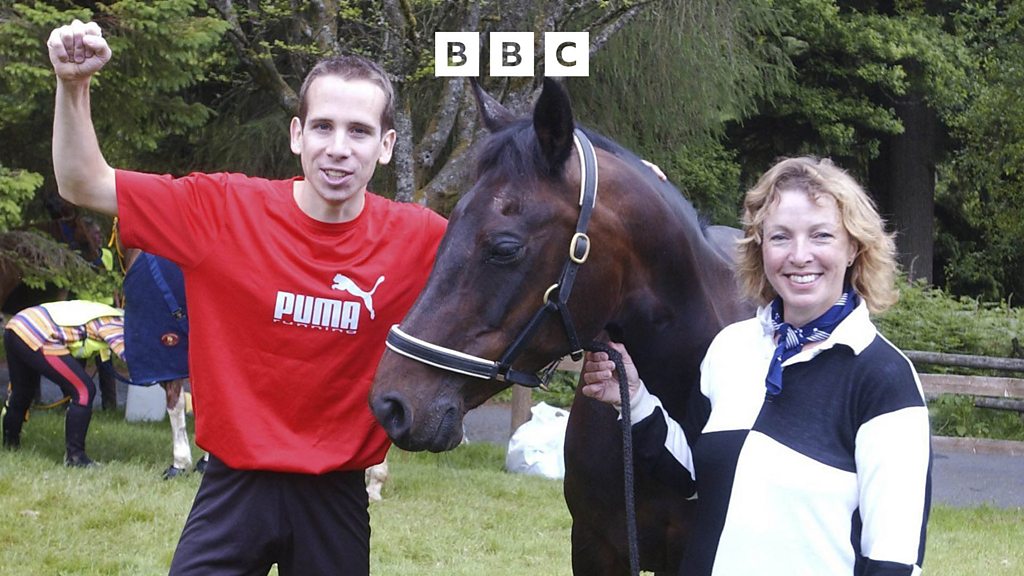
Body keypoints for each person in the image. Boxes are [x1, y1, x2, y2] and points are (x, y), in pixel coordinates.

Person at [47, 19, 446, 575]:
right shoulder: (221, 209)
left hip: (336, 497)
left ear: (386, 146)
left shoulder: (422, 239)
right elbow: (82, 182)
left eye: (358, 131)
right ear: (296, 135)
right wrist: (73, 84)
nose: (338, 149)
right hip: (233, 488)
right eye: (323, 126)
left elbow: (524, 268)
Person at [581, 156, 931, 575]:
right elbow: (693, 478)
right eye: (780, 237)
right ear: (760, 248)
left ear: (853, 246)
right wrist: (634, 398)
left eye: (821, 235)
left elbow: (895, 557)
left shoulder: (885, 378)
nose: (799, 255)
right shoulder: (730, 348)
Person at [2, 300, 125, 467]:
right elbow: (134, 359)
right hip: (39, 332)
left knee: (22, 391)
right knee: (84, 390)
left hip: (17, 325)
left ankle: (10, 446)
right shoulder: (117, 324)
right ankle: (75, 458)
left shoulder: (105, 313)